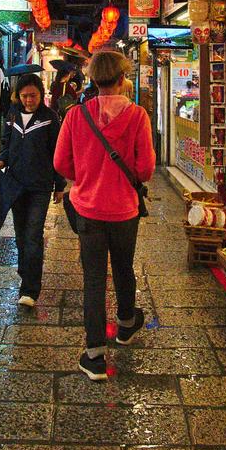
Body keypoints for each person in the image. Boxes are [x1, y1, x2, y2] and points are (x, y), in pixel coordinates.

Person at [54, 49, 156, 380]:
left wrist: (83, 176)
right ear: (123, 79)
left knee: (94, 278)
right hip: (124, 210)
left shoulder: (75, 115)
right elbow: (146, 169)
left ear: (94, 80)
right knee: (124, 268)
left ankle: (94, 354)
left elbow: (60, 164)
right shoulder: (138, 115)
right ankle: (126, 325)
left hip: (89, 210)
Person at [0, 73, 65, 306]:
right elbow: (6, 143)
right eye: (24, 96)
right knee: (20, 234)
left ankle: (30, 290)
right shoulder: (12, 114)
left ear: (40, 94)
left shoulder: (50, 117)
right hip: (15, 184)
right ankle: (26, 273)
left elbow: (57, 152)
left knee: (33, 234)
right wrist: (1, 160)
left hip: (40, 186)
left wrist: (60, 185)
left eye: (32, 96)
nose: (28, 100)